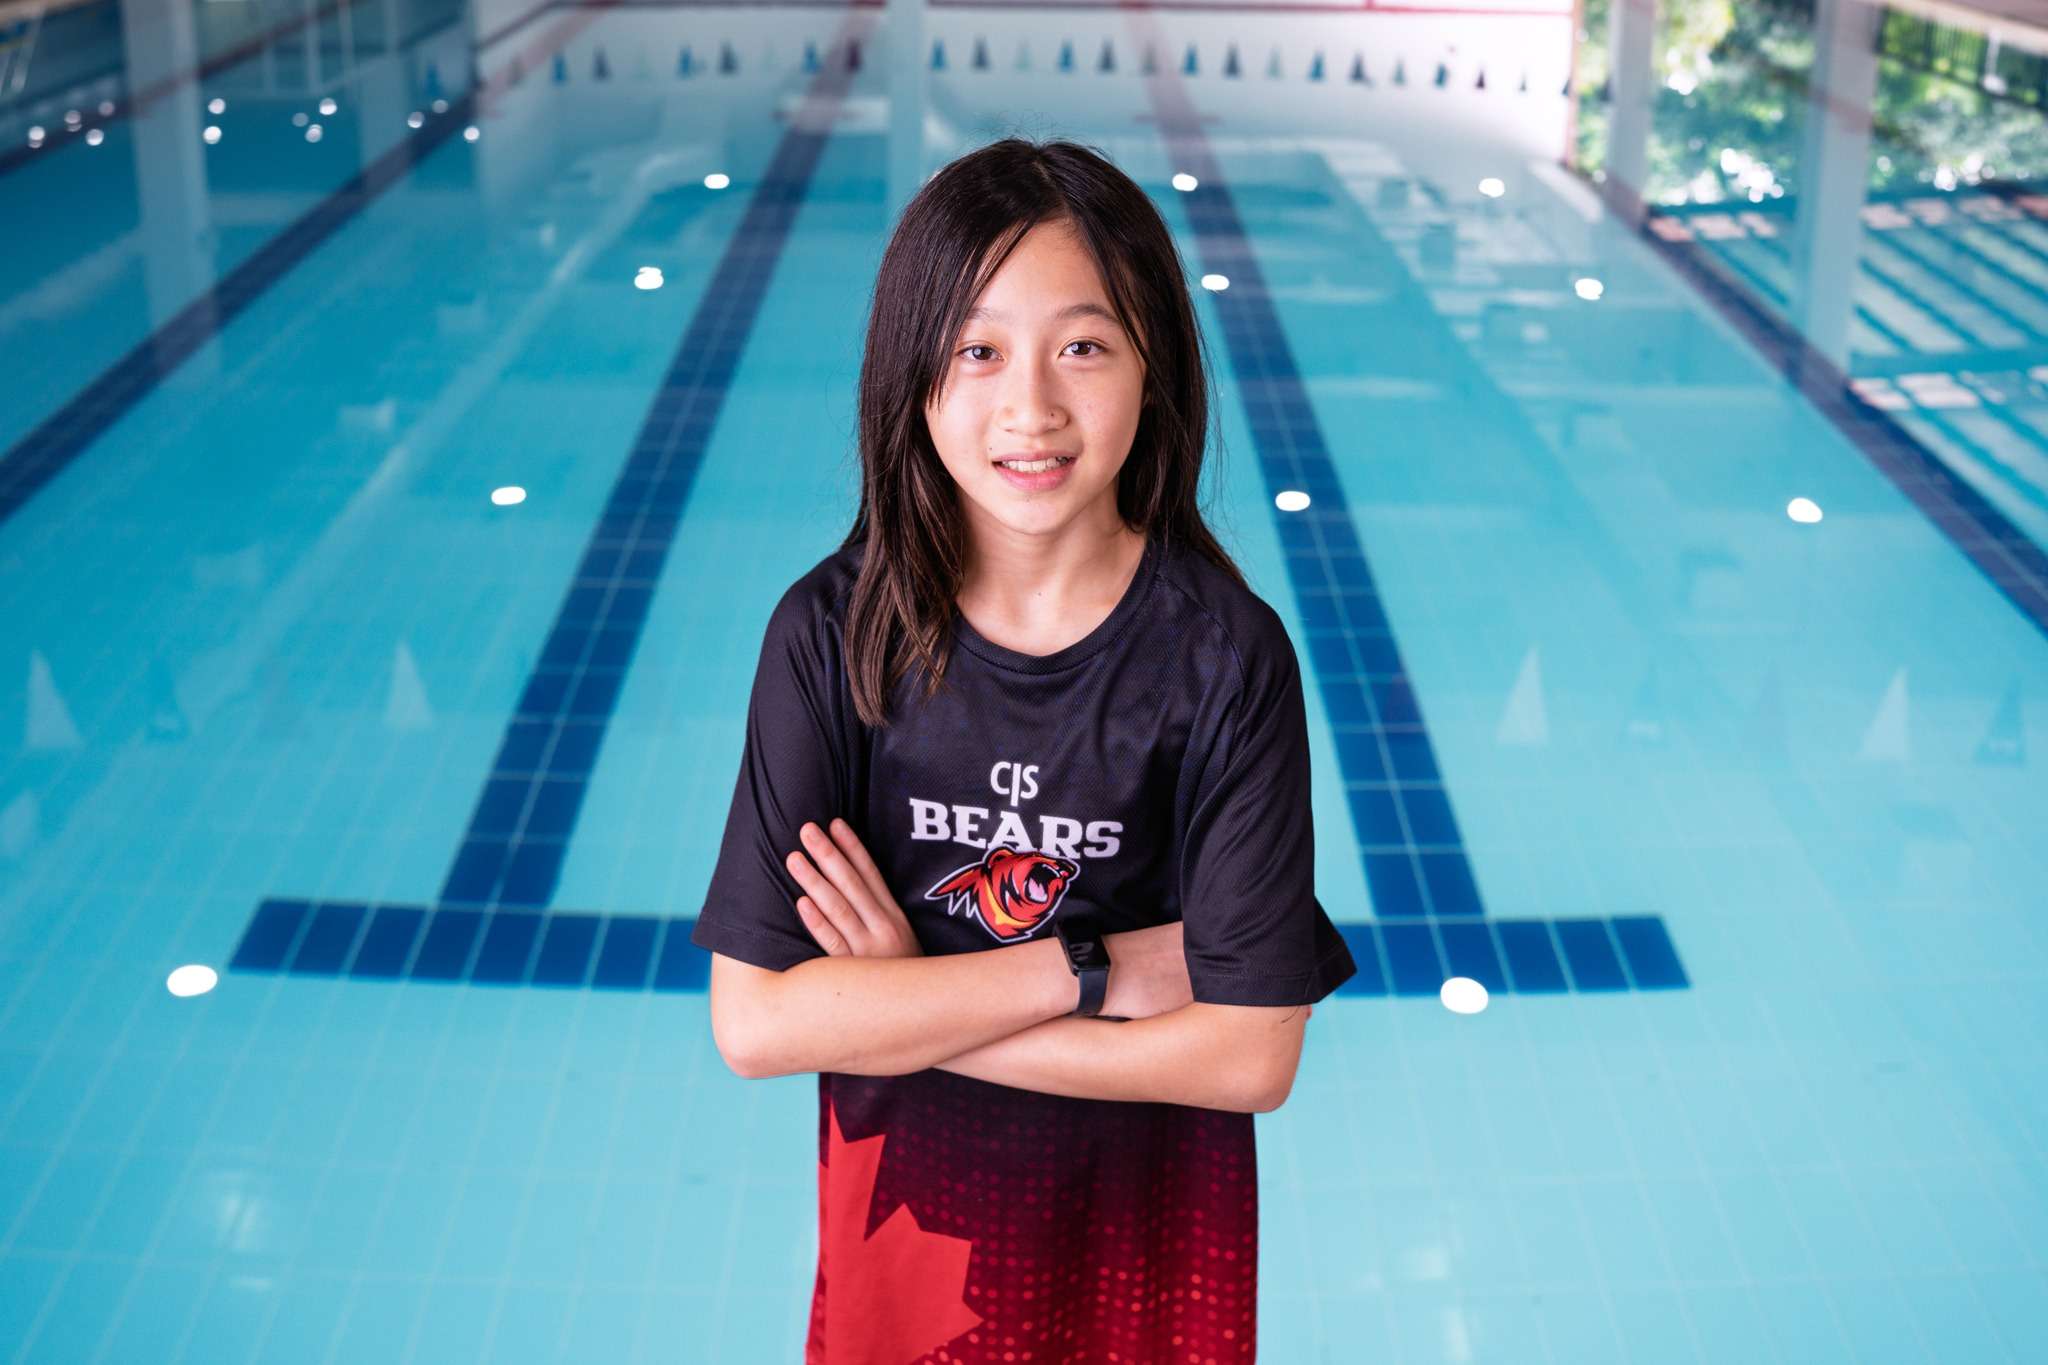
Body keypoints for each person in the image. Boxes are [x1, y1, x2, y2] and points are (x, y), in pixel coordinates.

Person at [691, 136, 1356, 1365]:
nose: (1031, 408)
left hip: (1146, 1246)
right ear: (912, 375)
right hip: (911, 1231)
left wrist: (903, 999)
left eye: (1082, 347)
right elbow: (758, 1024)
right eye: (977, 350)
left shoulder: (1221, 659)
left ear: (1153, 365)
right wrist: (1089, 971)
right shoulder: (833, 638)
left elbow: (1251, 1057)